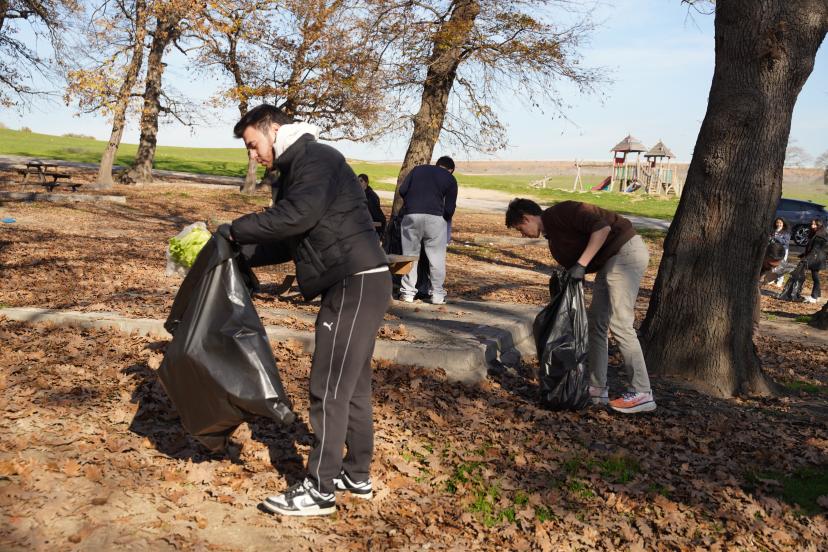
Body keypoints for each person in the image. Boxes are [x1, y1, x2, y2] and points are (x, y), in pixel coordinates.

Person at [221, 104, 391, 516]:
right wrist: (239, 251)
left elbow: (297, 215)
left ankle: (319, 489)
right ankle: (357, 474)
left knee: (328, 385)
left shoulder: (316, 159)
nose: (253, 155)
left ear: (273, 130)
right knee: (353, 387)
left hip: (354, 280)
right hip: (360, 278)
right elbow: (289, 238)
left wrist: (233, 228)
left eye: (253, 144)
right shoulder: (299, 168)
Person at [505, 198, 656, 414]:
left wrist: (581, 265)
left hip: (625, 252)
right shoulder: (554, 241)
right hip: (609, 263)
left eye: (520, 228)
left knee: (620, 323)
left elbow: (602, 229)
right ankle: (597, 389)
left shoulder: (562, 212)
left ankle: (642, 392)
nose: (522, 234)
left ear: (526, 218)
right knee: (597, 324)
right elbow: (574, 268)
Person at [398, 156, 458, 304]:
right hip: (435, 218)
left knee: (409, 255)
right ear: (450, 170)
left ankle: (407, 293)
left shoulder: (417, 170)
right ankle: (437, 295)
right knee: (436, 257)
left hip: (411, 215)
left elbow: (402, 190)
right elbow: (450, 209)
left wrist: (412, 204)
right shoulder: (450, 179)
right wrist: (442, 218)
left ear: (437, 164)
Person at [769, 218, 791, 287]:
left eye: (780, 223)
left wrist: (776, 237)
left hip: (783, 250)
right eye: (777, 223)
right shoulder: (773, 231)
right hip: (774, 250)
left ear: (783, 223)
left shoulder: (786, 232)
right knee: (773, 265)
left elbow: (785, 242)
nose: (779, 224)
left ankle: (780, 281)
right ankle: (772, 279)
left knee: (781, 265)